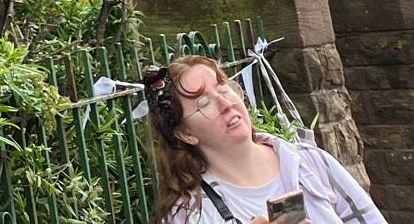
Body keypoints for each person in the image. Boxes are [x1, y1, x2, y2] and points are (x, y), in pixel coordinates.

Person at [144, 54, 386, 224]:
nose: (226, 104)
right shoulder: (189, 214)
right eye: (204, 103)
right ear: (185, 133)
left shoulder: (312, 164)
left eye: (222, 87)